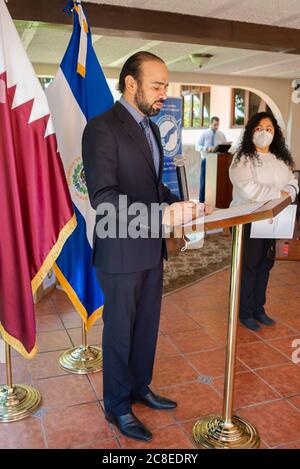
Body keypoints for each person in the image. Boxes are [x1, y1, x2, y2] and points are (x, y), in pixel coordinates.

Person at [82, 51, 210, 442]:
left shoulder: (151, 129)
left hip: (151, 250)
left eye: (165, 86)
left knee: (146, 327)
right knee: (120, 332)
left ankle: (139, 388)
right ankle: (117, 406)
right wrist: (161, 218)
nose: (163, 94)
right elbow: (104, 199)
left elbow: (153, 187)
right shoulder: (101, 128)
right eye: (157, 86)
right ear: (130, 84)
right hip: (120, 253)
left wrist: (181, 205)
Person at [229, 112, 299, 331]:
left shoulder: (280, 159)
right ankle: (245, 312)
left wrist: (290, 191)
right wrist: (279, 193)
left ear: (275, 132)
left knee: (265, 266)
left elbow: (293, 182)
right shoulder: (242, 158)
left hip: (274, 220)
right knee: (249, 267)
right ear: (251, 131)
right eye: (259, 128)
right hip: (249, 219)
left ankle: (259, 309)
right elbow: (248, 188)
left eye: (269, 128)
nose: (264, 133)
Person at [197, 116, 227, 202]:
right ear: (210, 124)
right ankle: (201, 201)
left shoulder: (221, 134)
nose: (216, 127)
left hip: (218, 161)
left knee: (216, 182)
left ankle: (214, 201)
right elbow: (197, 146)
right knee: (204, 181)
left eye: (218, 125)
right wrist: (206, 148)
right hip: (206, 160)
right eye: (215, 125)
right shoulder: (204, 134)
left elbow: (225, 145)